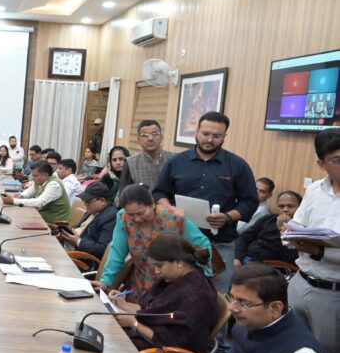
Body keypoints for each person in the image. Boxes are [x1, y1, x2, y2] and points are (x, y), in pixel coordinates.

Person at [169, 263, 333, 353]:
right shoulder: (254, 323)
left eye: (243, 303)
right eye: (231, 298)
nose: (232, 308)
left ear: (275, 308)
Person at [153, 111, 258, 295]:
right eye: (205, 134)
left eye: (216, 136)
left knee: (217, 296)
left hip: (220, 244)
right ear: (197, 131)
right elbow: (160, 192)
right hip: (181, 242)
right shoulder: (176, 162)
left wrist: (228, 217)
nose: (210, 139)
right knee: (176, 293)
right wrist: (170, 210)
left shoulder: (237, 165)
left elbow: (249, 201)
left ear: (224, 136)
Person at [94, 184, 212, 302]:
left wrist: (199, 279)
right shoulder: (123, 218)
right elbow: (117, 252)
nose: (137, 219)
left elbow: (203, 245)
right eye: (131, 215)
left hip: (173, 288)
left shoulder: (175, 218)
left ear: (152, 203)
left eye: (141, 213)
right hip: (140, 286)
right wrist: (105, 282)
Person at [109, 234, 218, 353]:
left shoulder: (196, 296)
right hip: (145, 343)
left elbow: (169, 343)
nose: (156, 272)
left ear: (179, 262)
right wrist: (123, 304)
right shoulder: (174, 279)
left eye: (159, 266)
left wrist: (133, 324)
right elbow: (149, 310)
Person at [287, 128, 340, 353]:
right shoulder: (315, 189)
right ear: (321, 164)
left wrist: (319, 251)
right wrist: (288, 229)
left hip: (333, 292)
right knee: (294, 349)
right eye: (337, 160)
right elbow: (298, 225)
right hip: (300, 281)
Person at [234, 190, 301, 267]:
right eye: (281, 206)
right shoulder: (268, 219)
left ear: (300, 207)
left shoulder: (302, 228)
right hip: (246, 257)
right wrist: (237, 258)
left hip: (270, 266)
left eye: (290, 206)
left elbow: (293, 256)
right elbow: (244, 237)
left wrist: (283, 229)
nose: (285, 209)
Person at [58, 182, 117, 259]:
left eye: (88, 201)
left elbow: (102, 248)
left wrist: (78, 241)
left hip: (82, 258)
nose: (85, 204)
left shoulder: (111, 217)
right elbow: (79, 227)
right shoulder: (93, 209)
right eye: (84, 200)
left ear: (102, 201)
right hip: (69, 248)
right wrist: (66, 233)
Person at [1, 160, 71, 224]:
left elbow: (38, 202)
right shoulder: (40, 180)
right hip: (43, 218)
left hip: (55, 224)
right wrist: (20, 196)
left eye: (35, 176)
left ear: (45, 175)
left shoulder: (54, 185)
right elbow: (30, 192)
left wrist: (13, 201)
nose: (32, 178)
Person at [119, 120, 175, 192]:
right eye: (145, 135)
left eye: (155, 134)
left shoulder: (174, 159)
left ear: (161, 137)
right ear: (139, 140)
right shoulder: (130, 163)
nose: (150, 138)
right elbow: (124, 194)